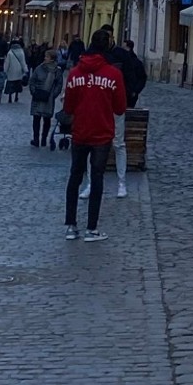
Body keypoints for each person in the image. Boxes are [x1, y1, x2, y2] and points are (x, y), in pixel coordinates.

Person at [62, 28, 126, 241]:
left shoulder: (74, 74)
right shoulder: (113, 74)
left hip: (80, 131)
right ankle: (92, 228)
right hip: (102, 133)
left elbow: (68, 107)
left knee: (75, 176)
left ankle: (71, 225)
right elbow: (120, 108)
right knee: (97, 178)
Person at [107, 37, 147, 198]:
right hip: (118, 101)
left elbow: (139, 78)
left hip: (125, 100)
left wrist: (133, 91)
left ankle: (121, 181)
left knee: (119, 140)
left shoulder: (132, 63)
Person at [28, 50, 62, 144]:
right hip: (38, 96)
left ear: (52, 59)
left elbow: (59, 85)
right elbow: (32, 80)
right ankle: (36, 139)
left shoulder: (57, 71)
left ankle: (43, 139)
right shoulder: (39, 68)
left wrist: (53, 95)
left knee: (47, 119)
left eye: (47, 57)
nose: (44, 58)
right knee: (36, 118)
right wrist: (33, 91)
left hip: (49, 98)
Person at [3, 38, 28, 102]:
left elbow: (7, 63)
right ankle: (16, 97)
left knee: (11, 84)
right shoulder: (21, 52)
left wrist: (5, 70)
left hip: (11, 71)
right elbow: (23, 62)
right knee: (17, 84)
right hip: (19, 71)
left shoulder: (10, 53)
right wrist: (25, 70)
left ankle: (10, 97)